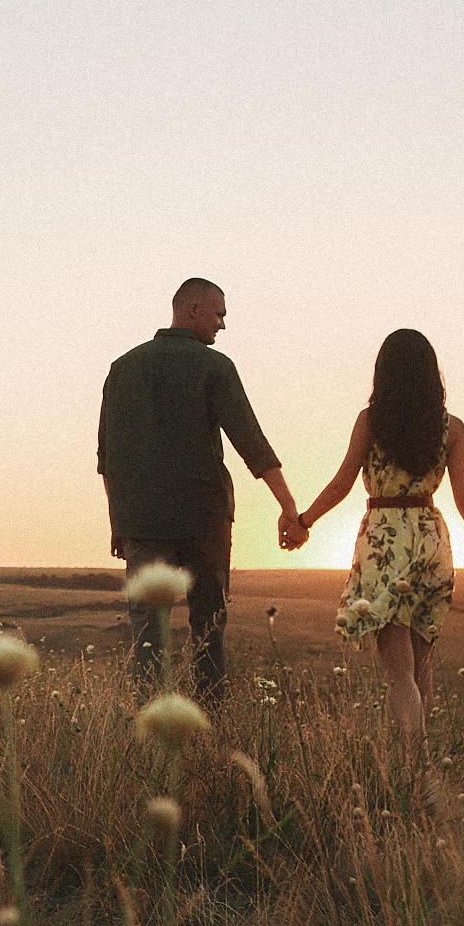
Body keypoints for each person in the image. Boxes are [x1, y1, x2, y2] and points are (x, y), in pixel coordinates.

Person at [97, 277, 304, 701]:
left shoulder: (123, 368)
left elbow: (108, 457)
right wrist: (288, 505)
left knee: (147, 633)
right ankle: (213, 720)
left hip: (141, 522)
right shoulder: (215, 367)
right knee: (209, 627)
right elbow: (252, 442)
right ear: (191, 309)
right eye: (219, 314)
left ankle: (152, 727)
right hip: (203, 520)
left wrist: (118, 522)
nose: (223, 325)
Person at [296, 328, 464, 751]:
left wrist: (304, 521)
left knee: (399, 673)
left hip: (384, 542)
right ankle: (419, 770)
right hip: (431, 539)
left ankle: (416, 772)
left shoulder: (371, 421)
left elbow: (341, 483)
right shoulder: (453, 428)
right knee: (420, 670)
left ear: (383, 373)